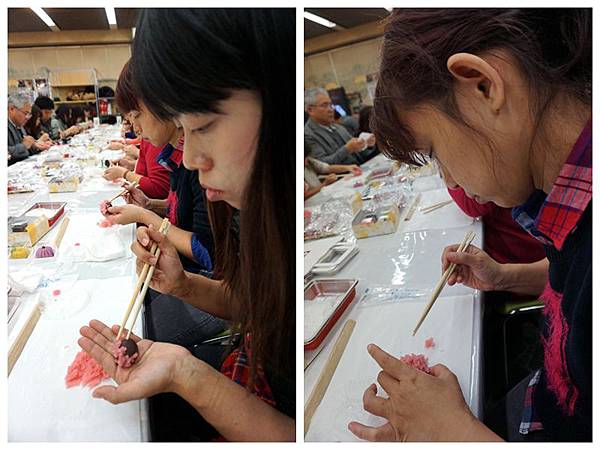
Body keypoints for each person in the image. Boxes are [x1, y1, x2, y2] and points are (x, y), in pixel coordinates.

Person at [349, 8, 591, 442]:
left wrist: (452, 433)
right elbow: (576, 284)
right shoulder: (572, 198)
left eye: (437, 151)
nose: (452, 181)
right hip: (545, 397)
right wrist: (506, 275)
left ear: (482, 85)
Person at [77, 8, 295, 441]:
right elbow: (260, 303)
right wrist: (183, 286)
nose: (191, 159)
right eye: (182, 129)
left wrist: (185, 375)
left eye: (201, 126)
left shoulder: (278, 218)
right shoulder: (249, 210)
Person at [304, 87, 376, 165]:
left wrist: (367, 144)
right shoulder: (307, 135)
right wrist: (347, 149)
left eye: (331, 105)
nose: (331, 109)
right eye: (324, 105)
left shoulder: (339, 127)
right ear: (310, 110)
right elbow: (321, 165)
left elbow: (361, 155)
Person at [8, 91, 51, 165]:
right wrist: (24, 146)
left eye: (29, 114)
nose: (27, 118)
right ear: (11, 109)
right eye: (25, 113)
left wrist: (36, 146)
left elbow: (26, 150)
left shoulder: (19, 124)